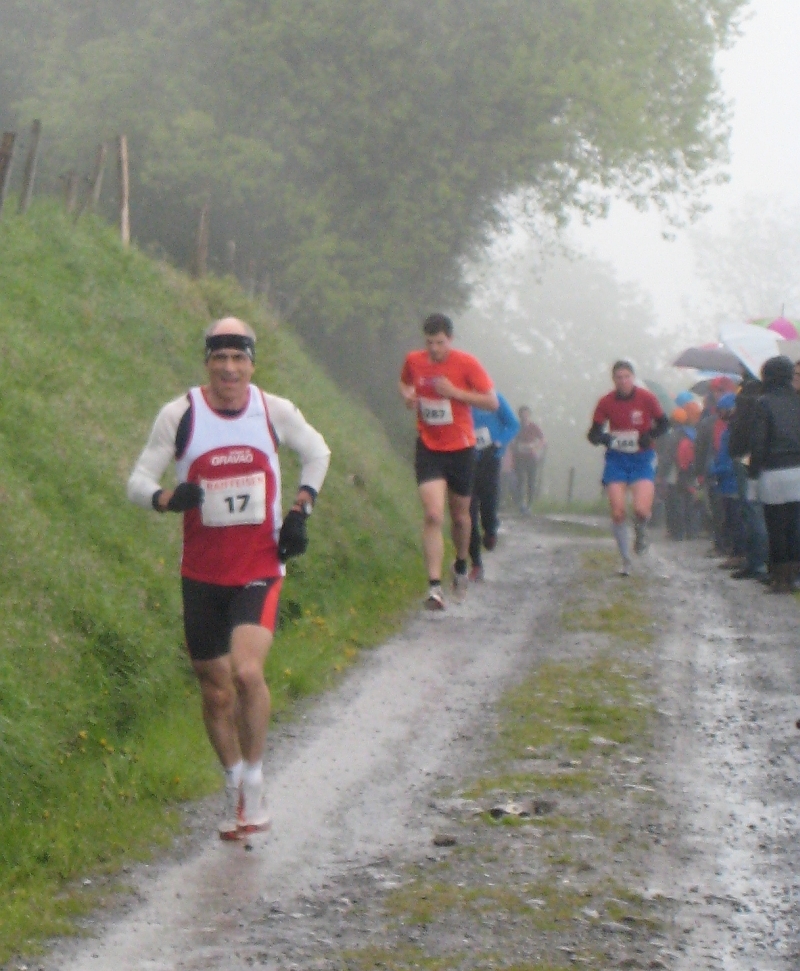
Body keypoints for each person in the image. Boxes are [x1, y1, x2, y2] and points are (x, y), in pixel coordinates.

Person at [127, 317, 331, 839]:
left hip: (259, 567)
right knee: (215, 692)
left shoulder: (274, 411)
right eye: (220, 358)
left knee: (245, 673)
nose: (230, 369)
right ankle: (234, 780)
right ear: (207, 363)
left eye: (239, 358)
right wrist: (166, 498)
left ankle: (256, 782)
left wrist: (302, 509)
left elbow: (318, 452)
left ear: (252, 364)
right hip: (201, 572)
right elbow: (138, 481)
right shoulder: (181, 415)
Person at [399, 313, 498, 609]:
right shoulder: (414, 360)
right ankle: (433, 587)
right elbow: (405, 383)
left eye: (440, 343)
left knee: (460, 517)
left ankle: (460, 564)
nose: (434, 349)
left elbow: (491, 402)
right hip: (429, 447)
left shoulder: (466, 363)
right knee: (432, 515)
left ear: (450, 340)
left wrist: (454, 392)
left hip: (461, 449)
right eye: (429, 343)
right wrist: (408, 397)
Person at [587, 360, 668, 574]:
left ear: (633, 377)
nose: (623, 381)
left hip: (642, 459)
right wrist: (604, 438)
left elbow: (664, 424)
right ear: (613, 380)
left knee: (641, 510)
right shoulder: (606, 402)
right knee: (618, 512)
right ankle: (626, 561)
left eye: (627, 377)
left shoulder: (647, 398)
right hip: (617, 460)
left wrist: (649, 436)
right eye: (619, 377)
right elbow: (593, 434)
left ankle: (641, 531)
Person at [748, 355, 800, 593]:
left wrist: (753, 474)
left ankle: (779, 577)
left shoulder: (764, 402)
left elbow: (759, 444)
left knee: (776, 526)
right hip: (797, 470)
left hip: (773, 472)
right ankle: (794, 575)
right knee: (795, 526)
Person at [468, 393, 520, 581]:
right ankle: (476, 563)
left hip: (491, 459)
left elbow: (513, 424)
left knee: (488, 504)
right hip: (466, 460)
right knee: (468, 512)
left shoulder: (494, 397)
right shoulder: (459, 398)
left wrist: (499, 442)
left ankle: (490, 530)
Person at [512, 407, 546, 513]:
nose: (525, 416)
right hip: (519, 457)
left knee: (531, 481)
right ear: (520, 415)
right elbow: (510, 438)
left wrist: (536, 447)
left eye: (526, 414)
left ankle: (529, 504)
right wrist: (515, 446)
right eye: (522, 414)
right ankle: (520, 503)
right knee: (521, 479)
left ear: (529, 415)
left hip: (531, 457)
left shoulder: (534, 427)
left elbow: (543, 439)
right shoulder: (516, 426)